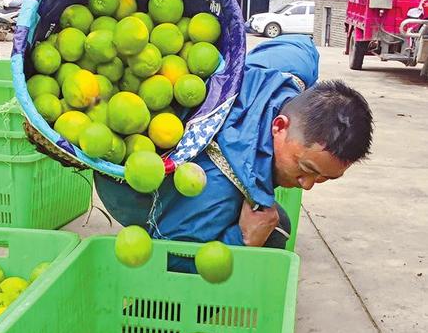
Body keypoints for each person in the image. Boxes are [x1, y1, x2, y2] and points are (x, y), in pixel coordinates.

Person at [94, 35, 374, 250]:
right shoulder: (215, 193)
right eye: (307, 168)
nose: (308, 184)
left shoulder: (286, 72)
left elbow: (302, 46)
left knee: (274, 218)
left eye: (324, 178)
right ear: (279, 126)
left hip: (144, 133)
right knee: (276, 231)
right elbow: (174, 261)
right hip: (128, 188)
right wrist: (242, 239)